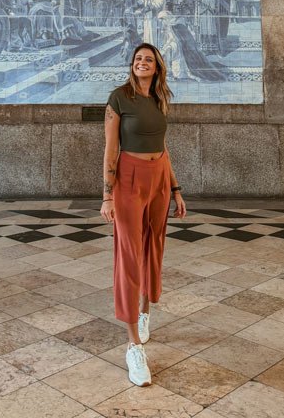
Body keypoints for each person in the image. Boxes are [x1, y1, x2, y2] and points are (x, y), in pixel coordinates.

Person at [101, 44, 186, 387]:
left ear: (157, 67)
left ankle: (145, 311)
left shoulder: (160, 98)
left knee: (155, 249)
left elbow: (163, 148)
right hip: (129, 179)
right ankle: (133, 346)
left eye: (148, 59)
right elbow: (110, 147)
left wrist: (177, 189)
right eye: (137, 59)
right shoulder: (119, 98)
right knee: (130, 255)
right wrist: (107, 194)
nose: (141, 62)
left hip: (159, 178)